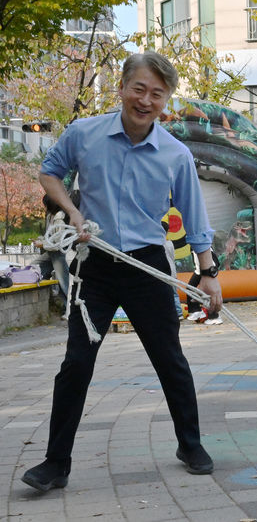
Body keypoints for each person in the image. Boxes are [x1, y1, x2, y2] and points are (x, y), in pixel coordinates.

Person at [23, 52, 223, 492]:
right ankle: (56, 464)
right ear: (122, 88)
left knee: (170, 360)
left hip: (148, 265)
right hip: (94, 267)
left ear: (165, 100)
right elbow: (49, 172)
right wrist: (72, 211)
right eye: (139, 89)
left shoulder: (175, 154)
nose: (145, 100)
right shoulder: (85, 133)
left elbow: (194, 213)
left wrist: (208, 272)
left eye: (157, 93)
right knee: (76, 363)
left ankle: (190, 445)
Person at [32, 195, 71, 310]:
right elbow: (50, 237)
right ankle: (53, 300)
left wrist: (42, 245)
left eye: (46, 205)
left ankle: (69, 309)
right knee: (34, 268)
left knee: (64, 283)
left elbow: (59, 242)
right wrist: (41, 241)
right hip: (50, 252)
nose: (44, 207)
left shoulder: (60, 217)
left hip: (59, 254)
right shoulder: (50, 216)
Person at [186, 250, 223, 325]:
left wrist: (210, 272)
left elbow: (214, 260)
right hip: (199, 271)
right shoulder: (194, 246)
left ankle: (214, 316)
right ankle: (196, 311)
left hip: (205, 272)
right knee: (190, 289)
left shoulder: (203, 246)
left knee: (208, 293)